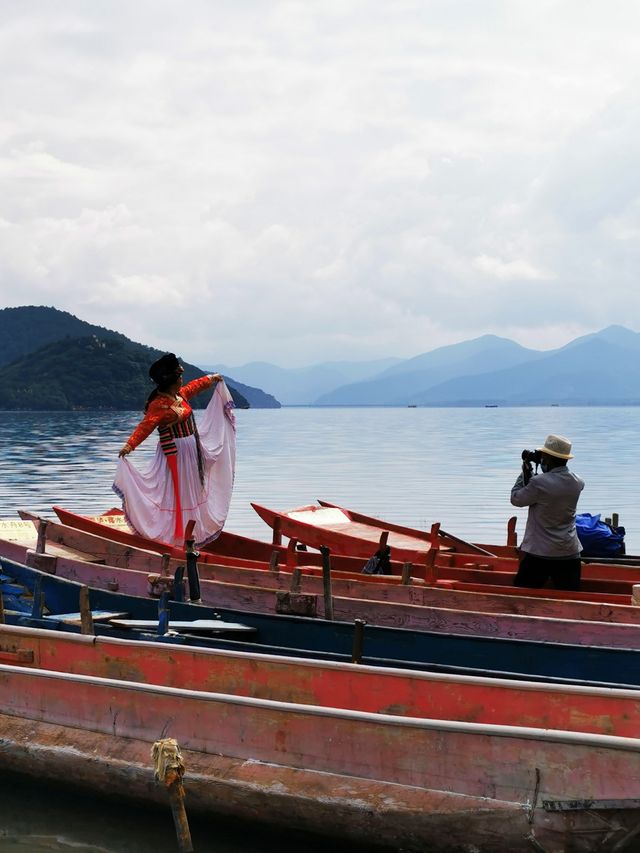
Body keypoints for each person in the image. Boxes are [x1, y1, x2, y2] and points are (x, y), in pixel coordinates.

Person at [114, 353, 236, 548]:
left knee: (192, 490)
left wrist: (211, 379)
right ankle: (171, 535)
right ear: (171, 381)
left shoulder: (179, 395)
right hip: (175, 454)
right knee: (176, 493)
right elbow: (145, 426)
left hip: (191, 451)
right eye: (179, 378)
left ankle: (190, 531)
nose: (182, 380)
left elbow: (194, 387)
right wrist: (130, 445)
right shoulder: (159, 404)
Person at [510, 434, 584, 591]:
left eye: (543, 457)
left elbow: (516, 499)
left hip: (539, 554)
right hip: (569, 552)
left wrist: (524, 472)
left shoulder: (538, 483)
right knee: (570, 599)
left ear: (548, 459)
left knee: (521, 597)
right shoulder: (578, 482)